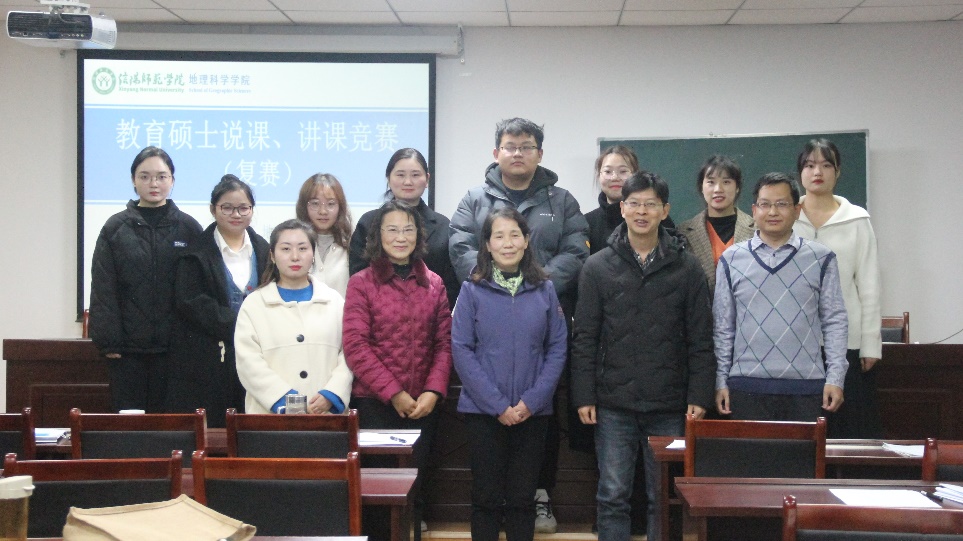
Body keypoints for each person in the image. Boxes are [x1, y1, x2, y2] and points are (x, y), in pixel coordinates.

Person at [449, 118, 589, 532]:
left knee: (527, 484)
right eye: (510, 146)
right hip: (485, 391)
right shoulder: (473, 199)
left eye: (526, 146)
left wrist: (536, 282)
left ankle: (541, 499)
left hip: (540, 331)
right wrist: (484, 278)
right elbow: (459, 244)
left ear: (539, 154)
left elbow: (576, 251)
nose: (517, 153)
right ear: (496, 153)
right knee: (486, 492)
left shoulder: (562, 200)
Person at [571, 171, 715, 541]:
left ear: (665, 211)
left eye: (650, 204)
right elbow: (585, 337)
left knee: (663, 497)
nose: (641, 211)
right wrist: (584, 395)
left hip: (669, 403)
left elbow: (701, 337)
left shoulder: (687, 267)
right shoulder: (597, 266)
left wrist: (699, 394)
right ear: (622, 208)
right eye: (634, 203)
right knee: (612, 496)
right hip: (612, 404)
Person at [451, 207, 568, 541]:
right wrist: (497, 405)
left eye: (515, 235)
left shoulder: (544, 289)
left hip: (532, 413)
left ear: (527, 240)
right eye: (498, 236)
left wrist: (531, 401)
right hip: (483, 413)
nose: (507, 243)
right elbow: (461, 349)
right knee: (485, 499)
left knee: (521, 499)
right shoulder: (471, 290)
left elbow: (557, 347)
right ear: (487, 244)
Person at [342, 199, 452, 538]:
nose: (400, 237)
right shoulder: (361, 282)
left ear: (419, 235)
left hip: (424, 406)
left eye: (408, 229)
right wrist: (395, 393)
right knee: (378, 492)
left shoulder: (434, 283)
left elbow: (444, 343)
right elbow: (356, 346)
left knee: (415, 490)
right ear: (378, 235)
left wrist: (433, 391)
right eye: (392, 230)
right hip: (376, 404)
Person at [714, 173, 849, 422]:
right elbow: (723, 327)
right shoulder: (730, 260)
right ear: (754, 211)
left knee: (805, 451)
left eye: (782, 204)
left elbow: (834, 322)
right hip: (746, 387)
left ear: (797, 210)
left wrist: (835, 378)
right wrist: (721, 380)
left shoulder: (821, 259)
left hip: (806, 388)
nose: (773, 212)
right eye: (765, 204)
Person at [88, 146, 202, 412]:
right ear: (133, 180)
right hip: (128, 352)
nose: (154, 183)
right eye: (145, 176)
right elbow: (103, 287)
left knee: (174, 425)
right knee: (131, 426)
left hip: (176, 351)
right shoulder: (115, 228)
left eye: (162, 176)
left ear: (172, 180)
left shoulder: (189, 228)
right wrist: (109, 341)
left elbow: (198, 290)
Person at [793, 138, 883, 438]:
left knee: (849, 431)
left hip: (847, 341)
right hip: (796, 342)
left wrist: (870, 343)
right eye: (809, 165)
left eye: (826, 165)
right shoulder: (786, 216)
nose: (817, 172)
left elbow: (869, 285)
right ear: (800, 172)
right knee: (805, 433)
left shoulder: (856, 219)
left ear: (838, 171)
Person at [166, 175, 269, 427]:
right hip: (210, 359)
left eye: (243, 208)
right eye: (227, 208)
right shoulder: (194, 253)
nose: (236, 214)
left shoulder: (265, 250)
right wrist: (241, 324)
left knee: (253, 427)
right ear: (213, 209)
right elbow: (191, 301)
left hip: (258, 355)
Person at [234, 219, 353, 415]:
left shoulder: (334, 301)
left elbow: (349, 353)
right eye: (286, 249)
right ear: (272, 256)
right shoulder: (254, 305)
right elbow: (248, 362)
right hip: (269, 418)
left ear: (313, 254)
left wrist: (332, 395)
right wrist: (286, 400)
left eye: (303, 248)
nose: (295, 257)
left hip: (326, 416)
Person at [349, 148, 459, 307]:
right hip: (377, 314)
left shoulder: (443, 226)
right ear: (388, 178)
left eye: (415, 175)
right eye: (400, 175)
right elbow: (357, 276)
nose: (408, 182)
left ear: (427, 179)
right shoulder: (368, 223)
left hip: (429, 315)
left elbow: (451, 284)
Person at [678, 155, 755, 295]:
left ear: (737, 187)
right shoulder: (683, 232)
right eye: (711, 182)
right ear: (701, 187)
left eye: (726, 182)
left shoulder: (757, 229)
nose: (718, 189)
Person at [584, 145, 675, 255]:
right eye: (608, 171)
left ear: (635, 175)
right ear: (598, 176)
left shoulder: (656, 217)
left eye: (623, 171)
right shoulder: (587, 223)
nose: (614, 178)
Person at [295, 173, 352, 298]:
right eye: (315, 204)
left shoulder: (352, 246)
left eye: (331, 204)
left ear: (340, 207)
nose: (323, 211)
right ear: (304, 206)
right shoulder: (293, 246)